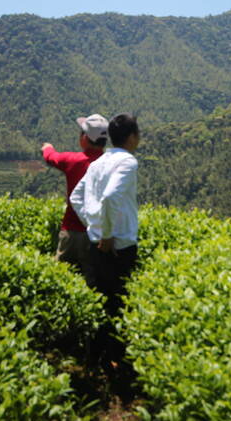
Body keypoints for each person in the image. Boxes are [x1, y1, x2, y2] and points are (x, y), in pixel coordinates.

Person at [70, 113, 140, 316]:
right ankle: (114, 349)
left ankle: (95, 348)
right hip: (119, 247)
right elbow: (110, 196)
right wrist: (107, 234)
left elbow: (76, 197)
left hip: (95, 244)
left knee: (98, 304)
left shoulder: (97, 163)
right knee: (119, 306)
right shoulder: (127, 162)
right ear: (131, 137)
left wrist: (94, 225)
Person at [41, 113, 108, 282]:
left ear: (84, 138)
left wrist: (47, 147)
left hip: (70, 231)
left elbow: (51, 157)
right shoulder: (109, 164)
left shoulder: (74, 161)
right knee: (92, 279)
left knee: (59, 276)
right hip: (97, 233)